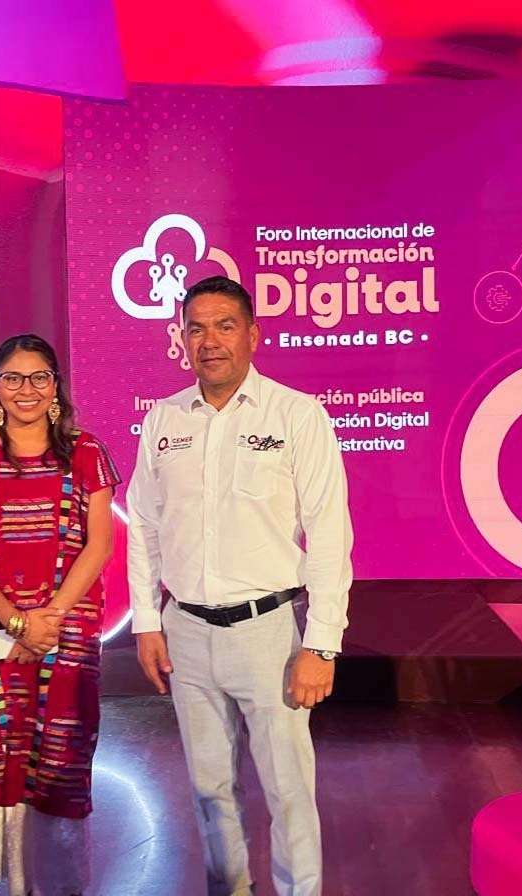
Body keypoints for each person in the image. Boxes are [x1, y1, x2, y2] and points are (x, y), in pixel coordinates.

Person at [127, 275, 353, 896]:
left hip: (268, 633)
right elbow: (143, 525)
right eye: (196, 328)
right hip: (185, 631)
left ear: (253, 334)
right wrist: (146, 621)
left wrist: (322, 643)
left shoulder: (296, 415)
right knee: (209, 788)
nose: (210, 341)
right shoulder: (164, 419)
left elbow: (329, 534)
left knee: (288, 789)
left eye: (225, 326)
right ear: (182, 339)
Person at [0, 334, 119, 895]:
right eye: (12, 378)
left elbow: (99, 545)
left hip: (67, 627)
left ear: (56, 387)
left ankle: (58, 882)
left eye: (39, 377)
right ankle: (6, 884)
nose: (26, 390)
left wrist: (48, 618)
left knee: (59, 755)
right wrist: (16, 621)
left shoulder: (86, 453)